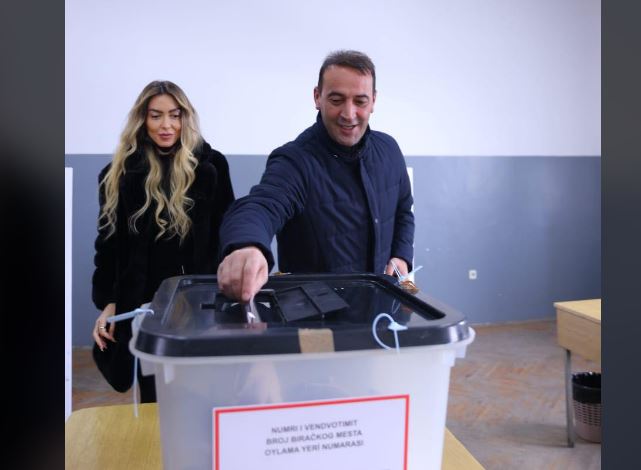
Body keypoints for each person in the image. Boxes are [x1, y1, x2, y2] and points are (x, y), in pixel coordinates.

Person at [217, 50, 414, 302]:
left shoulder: (389, 149)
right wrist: (247, 245)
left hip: (381, 304)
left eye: (360, 101)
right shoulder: (295, 161)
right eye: (336, 100)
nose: (349, 113)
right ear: (317, 97)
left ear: (373, 101)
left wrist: (401, 255)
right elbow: (262, 205)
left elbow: (403, 210)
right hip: (316, 317)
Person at [91, 80, 235, 402]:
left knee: (204, 393)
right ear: (142, 120)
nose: (166, 125)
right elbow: (109, 245)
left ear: (186, 117)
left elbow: (227, 231)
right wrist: (108, 302)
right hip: (145, 306)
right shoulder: (117, 173)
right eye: (156, 116)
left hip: (200, 300)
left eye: (174, 115)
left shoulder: (211, 166)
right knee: (155, 397)